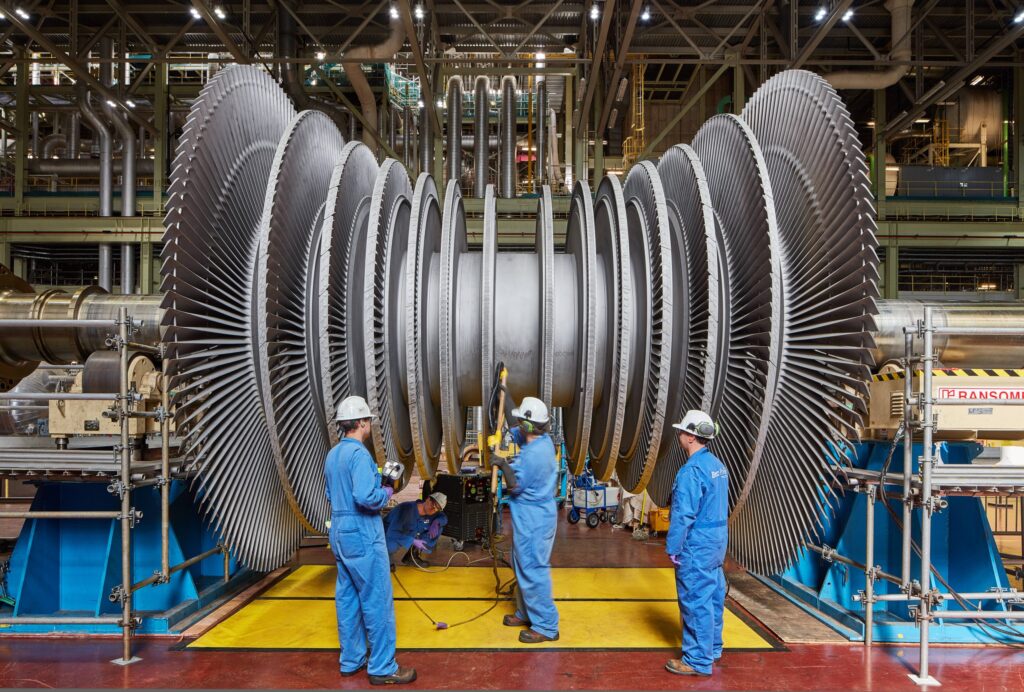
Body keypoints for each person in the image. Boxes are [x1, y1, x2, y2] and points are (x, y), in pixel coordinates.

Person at [324, 395, 416, 686]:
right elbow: (366, 498)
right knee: (376, 599)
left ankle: (351, 660)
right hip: (361, 531)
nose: (369, 426)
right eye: (368, 422)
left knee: (348, 597)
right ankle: (382, 667)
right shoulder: (359, 455)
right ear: (362, 422)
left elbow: (332, 494)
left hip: (339, 530)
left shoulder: (333, 454)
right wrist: (387, 491)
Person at [664, 409, 729, 678]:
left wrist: (673, 547)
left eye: (682, 431)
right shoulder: (718, 466)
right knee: (713, 596)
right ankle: (712, 648)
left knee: (695, 600)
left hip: (697, 544)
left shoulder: (691, 472)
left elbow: (683, 514)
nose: (679, 434)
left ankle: (697, 660)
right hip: (717, 542)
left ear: (691, 437)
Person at [491, 396, 560, 643]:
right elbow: (516, 428)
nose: (518, 424)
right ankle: (526, 612)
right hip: (530, 517)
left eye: (522, 421)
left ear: (530, 426)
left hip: (535, 520)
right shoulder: (539, 440)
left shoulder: (535, 455)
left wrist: (502, 464)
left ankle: (546, 625)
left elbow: (515, 485)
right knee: (521, 565)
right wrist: (504, 394)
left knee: (533, 569)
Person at [384, 492, 449, 568]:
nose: (433, 509)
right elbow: (392, 533)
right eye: (433, 505)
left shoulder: (433, 513)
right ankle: (384, 557)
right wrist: (412, 541)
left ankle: (412, 556)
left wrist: (437, 522)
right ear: (428, 499)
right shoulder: (406, 509)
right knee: (391, 546)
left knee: (438, 527)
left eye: (437, 509)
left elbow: (443, 517)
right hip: (389, 534)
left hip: (409, 532)